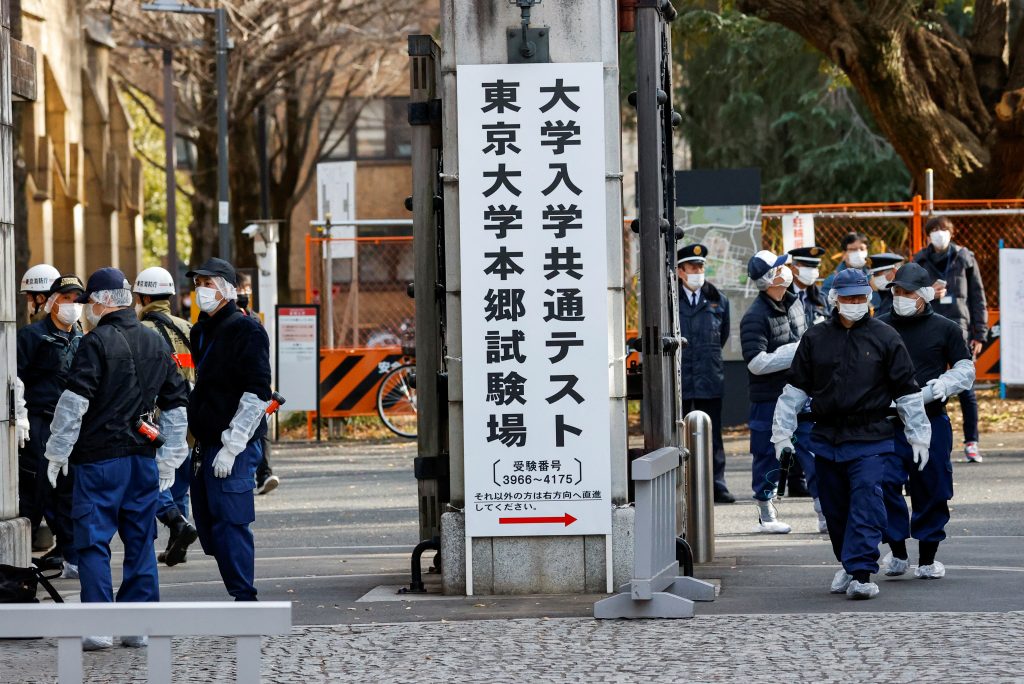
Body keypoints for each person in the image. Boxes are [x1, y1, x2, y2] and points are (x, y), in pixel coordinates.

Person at [44, 268, 189, 650]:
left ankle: (98, 626)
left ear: (101, 301)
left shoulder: (95, 343)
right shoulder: (155, 342)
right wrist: (171, 458)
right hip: (143, 459)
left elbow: (74, 403)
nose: (85, 308)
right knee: (140, 540)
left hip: (98, 462)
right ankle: (137, 626)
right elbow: (176, 404)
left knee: (93, 542)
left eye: (88, 301)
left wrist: (57, 452)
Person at [771, 269, 930, 600]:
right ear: (834, 299)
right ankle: (847, 561)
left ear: (869, 298)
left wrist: (919, 435)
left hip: (872, 438)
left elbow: (907, 391)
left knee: (866, 503)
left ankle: (860, 572)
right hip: (827, 438)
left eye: (861, 297)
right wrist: (782, 435)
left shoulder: (886, 338)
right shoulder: (815, 339)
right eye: (848, 298)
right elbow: (795, 390)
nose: (855, 303)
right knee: (835, 509)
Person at [877, 263, 975, 580]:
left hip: (932, 420)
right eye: (896, 292)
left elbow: (966, 369)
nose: (900, 297)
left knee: (932, 488)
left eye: (907, 292)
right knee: (884, 484)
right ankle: (898, 551)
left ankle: (928, 557)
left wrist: (941, 387)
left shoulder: (946, 328)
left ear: (922, 296)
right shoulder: (878, 326)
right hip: (888, 422)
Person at [187, 258, 273, 601]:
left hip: (232, 444)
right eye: (198, 285)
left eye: (207, 284)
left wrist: (233, 444)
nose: (201, 291)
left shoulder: (246, 330)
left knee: (231, 522)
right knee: (208, 525)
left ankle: (244, 598)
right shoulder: (201, 330)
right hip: (204, 443)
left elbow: (257, 393)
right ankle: (238, 589)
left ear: (225, 288)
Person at [16, 275, 85, 576]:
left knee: (68, 492)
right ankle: (18, 557)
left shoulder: (83, 338)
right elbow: (14, 379)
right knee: (37, 490)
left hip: (73, 427)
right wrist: (20, 418)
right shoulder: (31, 337)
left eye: (77, 300)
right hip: (40, 424)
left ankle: (72, 555)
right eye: (67, 298)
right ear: (53, 301)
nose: (73, 305)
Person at [134, 266, 199, 566]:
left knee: (154, 481)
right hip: (188, 421)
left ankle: (177, 526)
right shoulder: (187, 329)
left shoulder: (140, 333)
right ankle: (178, 543)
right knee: (179, 480)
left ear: (144, 296)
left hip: (155, 423)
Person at [740, 250, 806, 533]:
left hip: (801, 392)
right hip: (769, 397)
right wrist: (792, 354)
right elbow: (755, 363)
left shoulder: (794, 302)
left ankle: (824, 512)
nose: (787, 269)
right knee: (767, 454)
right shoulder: (754, 316)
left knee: (811, 449)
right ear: (770, 278)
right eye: (781, 267)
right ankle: (766, 514)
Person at [913, 216, 987, 463]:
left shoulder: (966, 258)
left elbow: (977, 297)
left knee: (966, 388)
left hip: (960, 329)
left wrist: (980, 333)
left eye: (943, 229)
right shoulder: (919, 260)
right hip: (929, 329)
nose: (939, 234)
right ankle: (924, 438)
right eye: (934, 230)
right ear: (927, 235)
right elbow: (912, 296)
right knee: (925, 384)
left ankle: (971, 442)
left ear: (952, 233)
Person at [676, 244, 734, 504]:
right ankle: (682, 485)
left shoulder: (718, 299)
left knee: (712, 434)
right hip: (680, 378)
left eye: (700, 266)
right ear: (680, 272)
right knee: (679, 433)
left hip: (709, 375)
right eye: (692, 267)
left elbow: (722, 335)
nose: (698, 271)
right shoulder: (669, 300)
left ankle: (716, 483)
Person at [783, 246, 826, 514]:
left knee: (811, 440)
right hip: (790, 376)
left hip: (818, 379)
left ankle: (818, 497)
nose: (811, 271)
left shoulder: (821, 299)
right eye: (806, 265)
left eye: (815, 265)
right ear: (794, 267)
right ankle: (792, 482)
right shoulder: (782, 299)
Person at [236, 273, 279, 496]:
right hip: (235, 387)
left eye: (247, 288)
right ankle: (246, 474)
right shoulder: (226, 320)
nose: (245, 293)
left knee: (261, 427)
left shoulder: (254, 318)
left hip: (256, 384)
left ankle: (264, 474)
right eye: (241, 288)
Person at [867, 253, 904, 317]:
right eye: (873, 275)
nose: (874, 278)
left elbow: (880, 319)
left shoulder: (902, 296)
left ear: (894, 271)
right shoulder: (884, 293)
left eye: (877, 274)